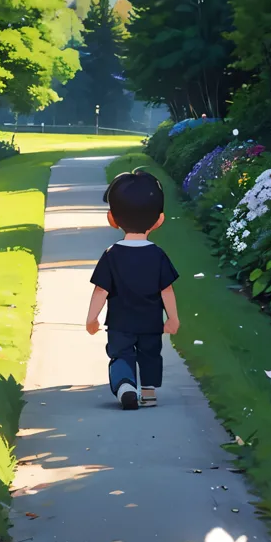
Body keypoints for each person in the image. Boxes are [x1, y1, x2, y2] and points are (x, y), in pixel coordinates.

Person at [86, 170, 180, 410]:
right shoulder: (158, 255)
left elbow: (100, 290)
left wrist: (92, 318)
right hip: (150, 323)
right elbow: (166, 289)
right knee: (150, 355)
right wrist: (172, 318)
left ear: (112, 218)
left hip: (120, 323)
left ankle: (126, 385)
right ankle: (148, 392)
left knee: (121, 355)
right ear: (159, 220)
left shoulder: (112, 255)